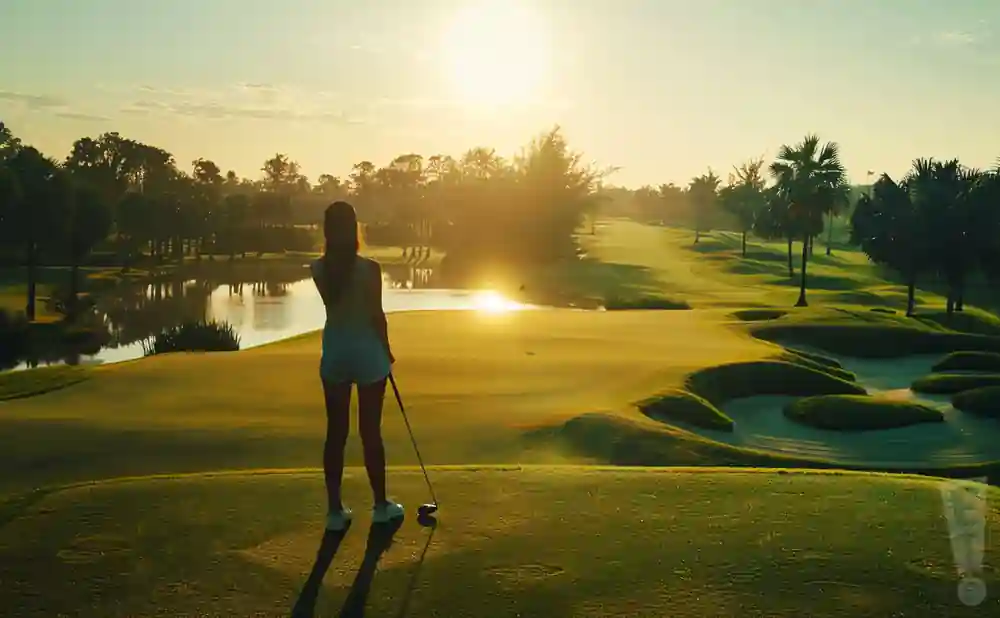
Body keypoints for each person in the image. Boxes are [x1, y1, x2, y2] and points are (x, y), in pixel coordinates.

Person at [311, 201, 404, 531]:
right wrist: (387, 352)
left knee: (335, 434)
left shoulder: (317, 269)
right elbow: (375, 316)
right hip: (367, 354)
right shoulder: (371, 269)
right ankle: (380, 505)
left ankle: (335, 512)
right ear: (354, 229)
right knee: (370, 432)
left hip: (335, 353)